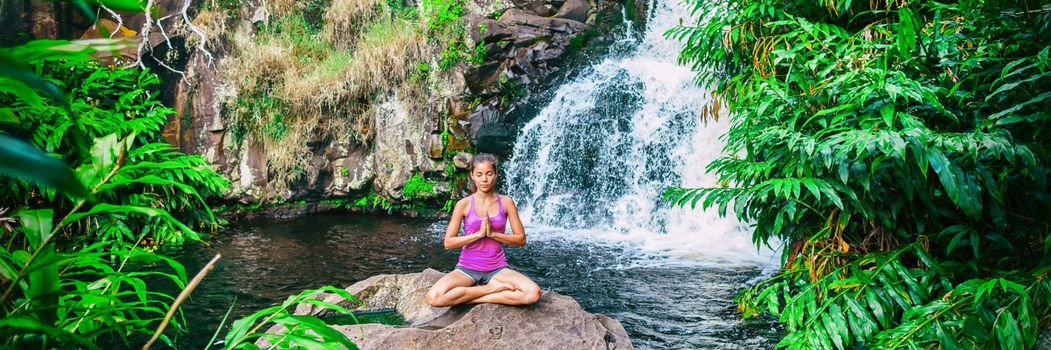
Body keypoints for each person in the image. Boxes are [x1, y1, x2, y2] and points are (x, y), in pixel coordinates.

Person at [425, 153, 542, 307]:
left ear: (496, 174)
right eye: (479, 174)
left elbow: (520, 239)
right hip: (466, 269)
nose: (484, 179)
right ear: (472, 175)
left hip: (497, 269)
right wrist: (479, 234)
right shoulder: (464, 204)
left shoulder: (506, 202)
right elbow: (448, 243)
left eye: (489, 174)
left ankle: (476, 297)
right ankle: (491, 290)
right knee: (434, 297)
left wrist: (492, 234)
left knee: (533, 293)